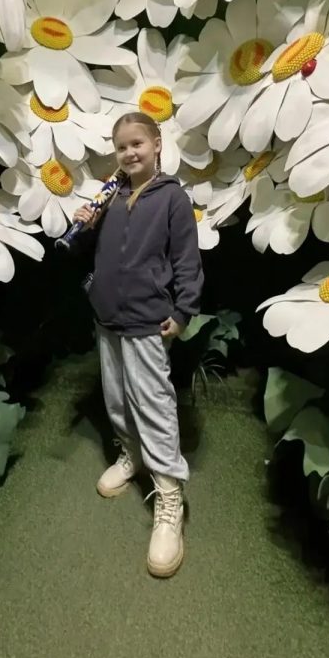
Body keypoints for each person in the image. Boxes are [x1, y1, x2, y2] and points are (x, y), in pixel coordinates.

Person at [72, 111, 203, 578]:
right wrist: (85, 226)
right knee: (116, 397)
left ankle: (169, 496)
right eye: (121, 147)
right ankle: (132, 455)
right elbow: (95, 256)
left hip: (148, 319)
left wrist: (183, 311)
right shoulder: (110, 197)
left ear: (157, 144)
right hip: (107, 316)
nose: (129, 153)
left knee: (153, 403)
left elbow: (187, 260)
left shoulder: (172, 198)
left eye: (137, 144)